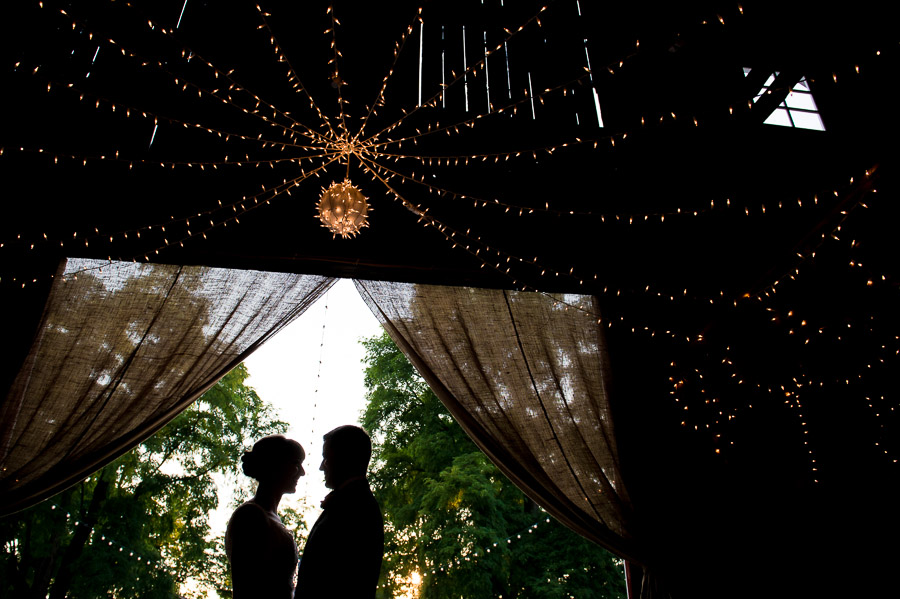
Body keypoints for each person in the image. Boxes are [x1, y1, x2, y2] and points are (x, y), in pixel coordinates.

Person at [295, 425, 384, 598]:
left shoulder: (354, 508)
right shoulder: (354, 501)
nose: (321, 467)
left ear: (345, 458)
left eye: (326, 458)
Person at [226, 435, 306, 599]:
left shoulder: (266, 516)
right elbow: (244, 587)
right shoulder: (250, 516)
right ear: (276, 464)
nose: (302, 473)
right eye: (296, 464)